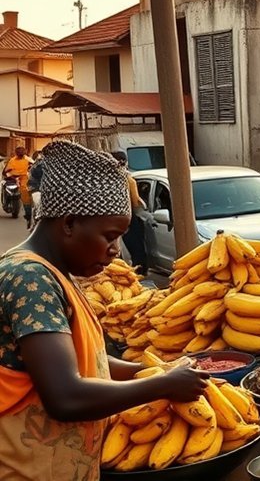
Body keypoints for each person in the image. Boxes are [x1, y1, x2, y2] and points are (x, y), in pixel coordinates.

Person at [0, 140, 208, 481]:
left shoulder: (56, 275)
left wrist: (153, 370)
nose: (115, 250)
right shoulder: (27, 277)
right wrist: (163, 386)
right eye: (109, 236)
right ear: (68, 223)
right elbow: (64, 396)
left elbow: (89, 361)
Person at [110, 151, 150, 275]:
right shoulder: (129, 180)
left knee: (115, 248)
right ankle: (139, 271)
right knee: (136, 246)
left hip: (109, 219)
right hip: (127, 218)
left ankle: (118, 270)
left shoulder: (105, 179)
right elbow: (136, 201)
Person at [3, 146, 32, 229]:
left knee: (26, 198)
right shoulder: (25, 159)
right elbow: (6, 172)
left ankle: (28, 215)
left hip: (19, 180)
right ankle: (28, 215)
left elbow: (6, 172)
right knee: (26, 200)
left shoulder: (16, 160)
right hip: (17, 181)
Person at [26, 151, 45, 229]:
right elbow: (31, 179)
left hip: (46, 189)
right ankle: (34, 225)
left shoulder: (53, 166)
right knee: (37, 205)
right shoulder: (34, 167)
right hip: (35, 188)